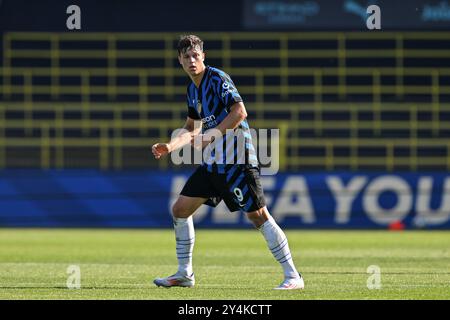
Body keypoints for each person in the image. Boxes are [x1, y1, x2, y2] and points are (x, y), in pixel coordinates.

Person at [152, 35, 304, 290]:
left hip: (238, 160)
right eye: (186, 56)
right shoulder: (192, 90)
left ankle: (293, 276)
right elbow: (191, 128)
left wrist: (211, 134)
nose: (192, 60)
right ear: (179, 60)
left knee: (258, 216)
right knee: (180, 209)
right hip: (214, 164)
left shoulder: (217, 78)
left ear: (203, 56)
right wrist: (170, 146)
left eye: (195, 55)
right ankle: (184, 273)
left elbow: (240, 112)